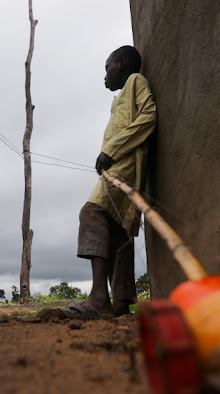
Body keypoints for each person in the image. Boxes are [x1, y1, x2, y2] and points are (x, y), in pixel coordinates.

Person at [66, 45, 157, 318]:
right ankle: (120, 302)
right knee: (118, 232)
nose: (105, 75)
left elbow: (148, 115)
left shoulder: (135, 81)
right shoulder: (116, 100)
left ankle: (97, 298)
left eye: (108, 67)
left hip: (125, 167)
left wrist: (111, 151)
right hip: (118, 166)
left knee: (92, 213)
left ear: (121, 63)